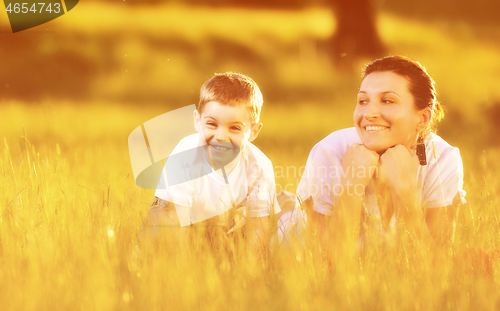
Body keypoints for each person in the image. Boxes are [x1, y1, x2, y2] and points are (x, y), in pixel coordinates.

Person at [296, 55, 466, 249]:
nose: (369, 113)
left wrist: (405, 190)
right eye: (363, 101)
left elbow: (436, 268)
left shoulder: (442, 159)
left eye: (387, 101)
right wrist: (351, 184)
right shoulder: (329, 152)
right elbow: (321, 266)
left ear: (423, 118)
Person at [144, 72, 280, 255]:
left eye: (235, 128)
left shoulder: (259, 167)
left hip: (223, 228)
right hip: (174, 224)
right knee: (157, 239)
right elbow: (176, 222)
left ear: (254, 131)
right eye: (212, 124)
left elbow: (259, 227)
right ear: (197, 121)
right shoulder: (186, 156)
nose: (221, 136)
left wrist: (250, 270)